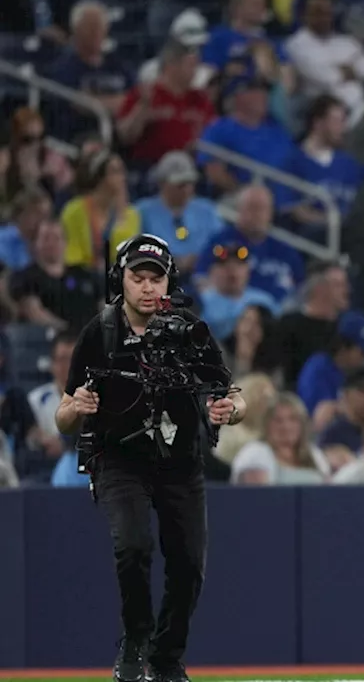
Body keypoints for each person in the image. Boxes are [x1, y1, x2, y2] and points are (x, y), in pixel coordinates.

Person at [54, 235, 246, 682]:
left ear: (168, 282)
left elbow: (233, 396)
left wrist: (229, 410)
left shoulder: (188, 328)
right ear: (119, 280)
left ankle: (166, 659)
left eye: (155, 278)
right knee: (134, 545)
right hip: (119, 457)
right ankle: (136, 638)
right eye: (136, 277)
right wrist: (76, 408)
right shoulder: (99, 332)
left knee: (189, 564)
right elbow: (62, 418)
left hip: (179, 461)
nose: (146, 287)